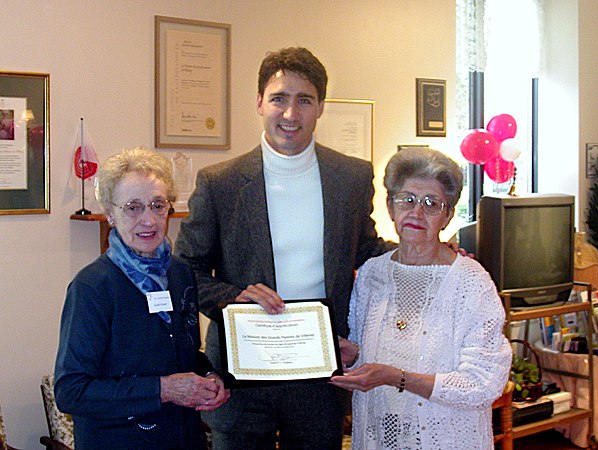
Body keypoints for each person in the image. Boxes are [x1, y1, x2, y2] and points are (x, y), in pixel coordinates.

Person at [175, 47, 394, 449]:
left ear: (320, 107)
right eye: (279, 98)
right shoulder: (219, 183)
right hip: (243, 370)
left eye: (304, 100)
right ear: (260, 102)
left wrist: (428, 255)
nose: (290, 114)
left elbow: (365, 249)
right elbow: (184, 270)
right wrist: (234, 297)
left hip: (319, 369)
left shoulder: (351, 177)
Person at [330, 147, 512, 449]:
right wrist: (354, 353)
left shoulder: (471, 282)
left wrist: (396, 377)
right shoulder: (372, 274)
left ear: (448, 216)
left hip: (446, 440)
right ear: (390, 207)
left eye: (431, 203)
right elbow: (379, 355)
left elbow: (483, 384)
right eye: (407, 200)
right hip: (379, 436)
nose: (416, 213)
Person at [54, 147, 229, 449]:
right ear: (110, 213)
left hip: (183, 438)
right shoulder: (92, 287)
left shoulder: (180, 274)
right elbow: (72, 391)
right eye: (133, 207)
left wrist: (210, 376)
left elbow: (186, 353)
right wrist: (163, 389)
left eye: (157, 205)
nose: (148, 220)